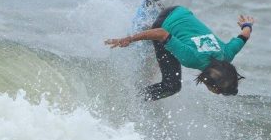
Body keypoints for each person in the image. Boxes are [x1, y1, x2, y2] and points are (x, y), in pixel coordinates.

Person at [105, 6, 254, 100]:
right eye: (218, 91)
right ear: (211, 84)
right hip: (162, 24)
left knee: (174, 59)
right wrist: (130, 39)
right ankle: (133, 98)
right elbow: (162, 33)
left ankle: (153, 30)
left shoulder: (227, 54)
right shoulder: (192, 59)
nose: (217, 93)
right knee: (172, 86)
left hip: (180, 11)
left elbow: (244, 35)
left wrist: (246, 24)